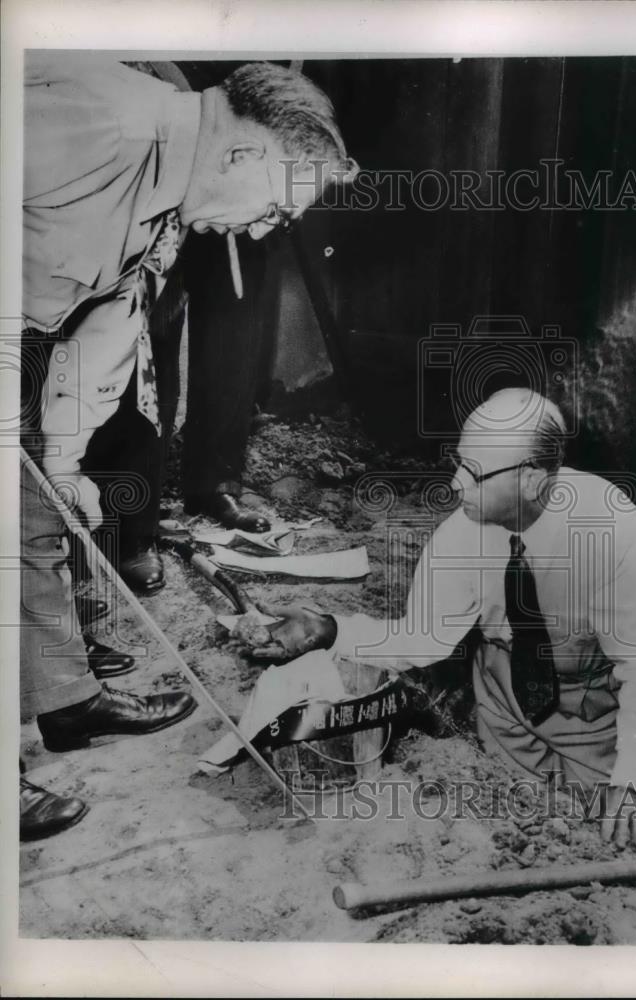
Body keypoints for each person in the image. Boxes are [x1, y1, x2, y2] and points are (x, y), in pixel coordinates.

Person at [20, 52, 355, 838]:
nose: (264, 230)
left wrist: (62, 458)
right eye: (274, 210)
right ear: (241, 155)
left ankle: (64, 700)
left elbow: (106, 324)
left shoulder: (171, 195)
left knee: (33, 511)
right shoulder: (101, 125)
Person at [249, 388, 636, 849]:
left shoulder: (611, 530)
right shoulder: (463, 533)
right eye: (459, 463)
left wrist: (632, 781)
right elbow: (423, 637)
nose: (455, 484)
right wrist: (328, 629)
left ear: (531, 479)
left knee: (602, 828)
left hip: (591, 712)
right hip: (505, 707)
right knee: (514, 818)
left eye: (474, 472)